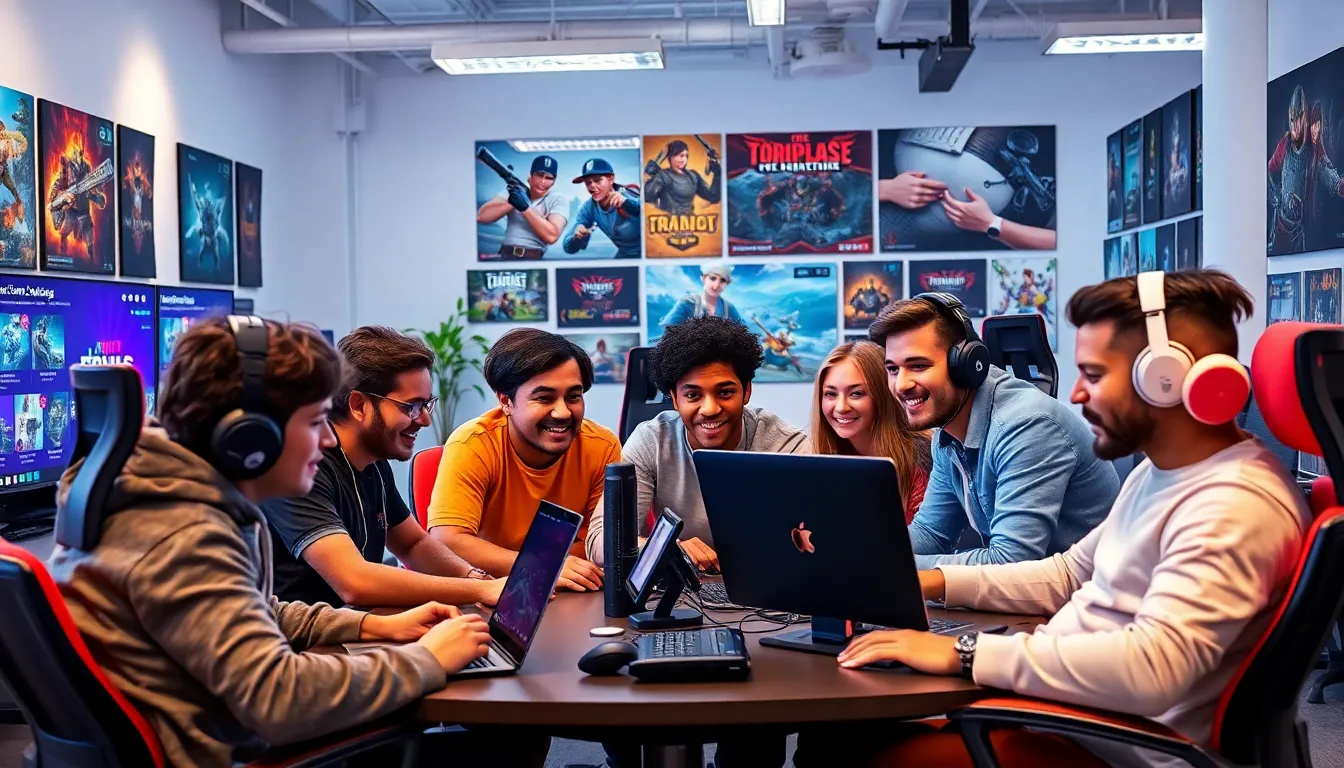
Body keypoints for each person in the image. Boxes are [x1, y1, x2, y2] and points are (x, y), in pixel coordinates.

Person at [795, 270, 1312, 768]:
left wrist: (964, 652)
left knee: (837, 750)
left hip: (1113, 743)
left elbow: (1157, 669)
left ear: (1163, 377)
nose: (1078, 395)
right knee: (838, 732)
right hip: (1073, 711)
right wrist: (924, 580)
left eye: (1093, 375)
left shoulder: (1231, 505)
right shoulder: (1166, 473)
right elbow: (1067, 573)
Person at [45, 317, 498, 767]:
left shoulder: (176, 498)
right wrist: (424, 659)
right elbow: (277, 699)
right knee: (500, 746)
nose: (326, 438)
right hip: (228, 752)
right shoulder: (184, 534)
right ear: (251, 436)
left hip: (224, 733)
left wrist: (370, 627)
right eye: (317, 420)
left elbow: (259, 608)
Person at [260, 325, 505, 609]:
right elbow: (355, 583)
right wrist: (476, 591)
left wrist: (477, 579)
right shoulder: (301, 467)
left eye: (427, 405)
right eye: (411, 406)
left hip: (357, 630)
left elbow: (413, 544)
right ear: (359, 405)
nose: (424, 420)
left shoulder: (374, 460)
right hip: (305, 644)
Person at [870, 293, 1118, 569]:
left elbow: (1011, 562)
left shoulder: (1028, 426)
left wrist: (893, 567)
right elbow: (931, 534)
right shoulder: (948, 432)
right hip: (1030, 601)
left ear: (965, 364)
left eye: (918, 366)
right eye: (893, 369)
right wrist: (861, 553)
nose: (901, 384)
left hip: (1089, 600)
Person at [586, 315, 810, 572]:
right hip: (682, 596)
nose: (710, 409)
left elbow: (813, 545)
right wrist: (669, 549)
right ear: (673, 398)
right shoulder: (651, 440)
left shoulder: (787, 446)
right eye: (692, 395)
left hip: (765, 593)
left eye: (725, 392)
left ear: (747, 391)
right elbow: (601, 544)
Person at [427, 328, 619, 592]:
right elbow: (446, 541)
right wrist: (543, 565)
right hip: (491, 594)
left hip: (570, 596)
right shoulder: (473, 444)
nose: (563, 412)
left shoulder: (602, 446)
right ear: (506, 401)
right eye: (544, 398)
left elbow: (601, 543)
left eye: (573, 396)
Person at [811, 340, 931, 523]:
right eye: (831, 394)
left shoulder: (926, 458)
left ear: (883, 395)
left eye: (856, 393)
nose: (841, 407)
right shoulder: (827, 460)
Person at [476, 154, 568, 260]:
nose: (543, 181)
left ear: (554, 181)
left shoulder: (557, 199)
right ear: (530, 175)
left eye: (549, 178)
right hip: (505, 255)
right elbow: (481, 217)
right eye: (539, 175)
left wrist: (525, 209)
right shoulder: (515, 189)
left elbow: (551, 236)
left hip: (532, 258)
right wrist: (512, 202)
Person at [562, 157, 641, 258]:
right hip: (626, 254)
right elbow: (568, 247)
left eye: (597, 180)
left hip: (651, 251)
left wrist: (627, 203)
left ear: (611, 179)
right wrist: (576, 238)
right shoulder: (589, 208)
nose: (592, 186)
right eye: (588, 182)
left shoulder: (628, 194)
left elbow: (653, 210)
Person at [644, 138, 720, 215]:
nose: (683, 159)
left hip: (691, 222)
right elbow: (647, 195)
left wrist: (717, 173)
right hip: (667, 222)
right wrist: (658, 159)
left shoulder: (693, 176)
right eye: (680, 155)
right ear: (670, 157)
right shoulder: (663, 176)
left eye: (686, 156)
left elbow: (713, 196)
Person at [659, 261, 747, 328]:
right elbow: (668, 327)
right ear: (704, 278)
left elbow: (744, 331)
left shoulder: (728, 308)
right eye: (713, 278)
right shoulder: (687, 303)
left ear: (727, 283)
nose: (716, 286)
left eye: (722, 280)